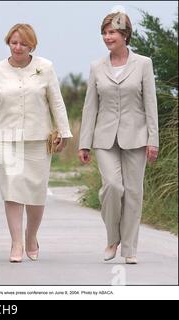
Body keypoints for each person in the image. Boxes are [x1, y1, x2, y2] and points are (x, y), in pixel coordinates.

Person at [0, 23, 72, 263]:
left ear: (32, 45)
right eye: (14, 42)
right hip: (6, 139)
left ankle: (31, 236)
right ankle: (16, 242)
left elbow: (57, 102)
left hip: (38, 140)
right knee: (12, 192)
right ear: (8, 43)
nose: (18, 47)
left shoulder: (46, 68)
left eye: (23, 43)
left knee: (36, 194)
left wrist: (64, 131)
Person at [78, 12, 159, 264]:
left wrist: (153, 139)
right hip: (104, 138)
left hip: (136, 136)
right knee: (112, 186)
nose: (107, 37)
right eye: (104, 33)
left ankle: (130, 249)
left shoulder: (143, 64)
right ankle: (113, 237)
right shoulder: (96, 66)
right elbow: (90, 106)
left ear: (125, 35)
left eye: (112, 32)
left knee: (134, 192)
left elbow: (150, 104)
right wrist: (84, 142)